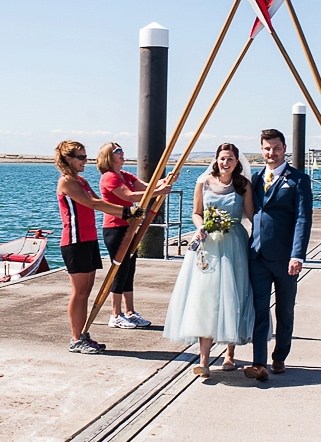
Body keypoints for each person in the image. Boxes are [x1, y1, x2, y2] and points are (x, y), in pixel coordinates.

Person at [163, 143, 257, 377]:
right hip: (209, 245)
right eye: (223, 158)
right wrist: (201, 226)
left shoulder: (243, 185)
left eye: (231, 159)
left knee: (234, 293)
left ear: (237, 162)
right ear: (216, 159)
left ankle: (229, 354)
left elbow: (252, 215)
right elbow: (196, 213)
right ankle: (203, 360)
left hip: (234, 243)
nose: (226, 163)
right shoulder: (202, 182)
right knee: (205, 297)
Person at [56, 140, 143, 354]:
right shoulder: (67, 182)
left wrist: (129, 212)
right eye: (81, 157)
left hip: (89, 239)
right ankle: (76, 338)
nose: (86, 161)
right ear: (69, 159)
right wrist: (125, 212)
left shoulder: (82, 180)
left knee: (86, 291)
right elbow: (92, 204)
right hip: (74, 241)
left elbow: (99, 201)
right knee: (79, 292)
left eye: (86, 157)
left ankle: (83, 334)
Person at [244, 129, 312, 381]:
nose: (271, 153)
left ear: (284, 149)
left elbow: (303, 219)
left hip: (285, 258)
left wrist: (298, 255)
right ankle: (258, 362)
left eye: (276, 148)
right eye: (266, 148)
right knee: (259, 309)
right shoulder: (256, 177)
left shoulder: (298, 180)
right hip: (257, 255)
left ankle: (280, 356)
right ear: (261, 150)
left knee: (284, 310)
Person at [97, 142, 171, 329]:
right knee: (120, 271)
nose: (122, 153)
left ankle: (130, 312)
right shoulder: (109, 177)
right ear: (108, 156)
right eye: (117, 151)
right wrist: (158, 192)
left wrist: (166, 181)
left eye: (122, 149)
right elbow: (129, 196)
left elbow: (147, 187)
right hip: (115, 229)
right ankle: (116, 315)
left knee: (130, 270)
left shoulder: (125, 175)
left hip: (130, 226)